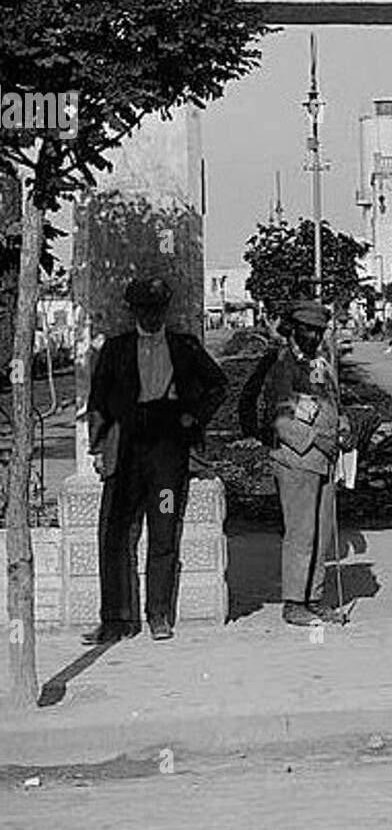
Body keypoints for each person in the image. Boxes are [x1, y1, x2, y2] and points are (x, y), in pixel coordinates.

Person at [82, 276, 228, 644]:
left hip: (167, 451)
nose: (150, 316)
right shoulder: (115, 350)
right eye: (144, 310)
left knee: (163, 529)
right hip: (127, 450)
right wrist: (98, 448)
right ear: (133, 312)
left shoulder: (185, 347)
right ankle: (115, 619)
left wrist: (192, 416)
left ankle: (158, 615)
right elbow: (97, 400)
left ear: (165, 310)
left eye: (156, 309)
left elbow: (218, 385)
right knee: (114, 532)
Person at [258, 300, 346, 626]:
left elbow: (330, 400)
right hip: (296, 458)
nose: (313, 335)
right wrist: (314, 440)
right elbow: (278, 417)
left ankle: (314, 597)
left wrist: (343, 426)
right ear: (294, 329)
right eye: (307, 329)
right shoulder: (284, 365)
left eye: (318, 330)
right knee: (301, 533)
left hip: (325, 459)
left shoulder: (318, 363)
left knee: (322, 532)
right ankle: (294, 602)